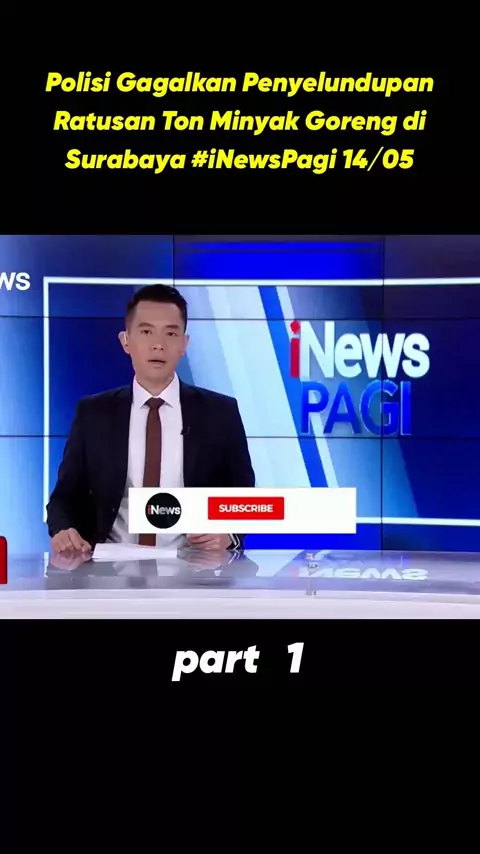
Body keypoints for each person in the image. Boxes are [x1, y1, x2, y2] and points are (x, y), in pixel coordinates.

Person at [47, 284, 255, 554]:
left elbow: (243, 495)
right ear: (125, 340)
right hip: (110, 564)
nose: (158, 345)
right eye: (146, 332)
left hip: (195, 566)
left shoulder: (220, 412)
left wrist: (229, 534)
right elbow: (64, 497)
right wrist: (64, 530)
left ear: (184, 344)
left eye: (171, 333)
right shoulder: (93, 413)